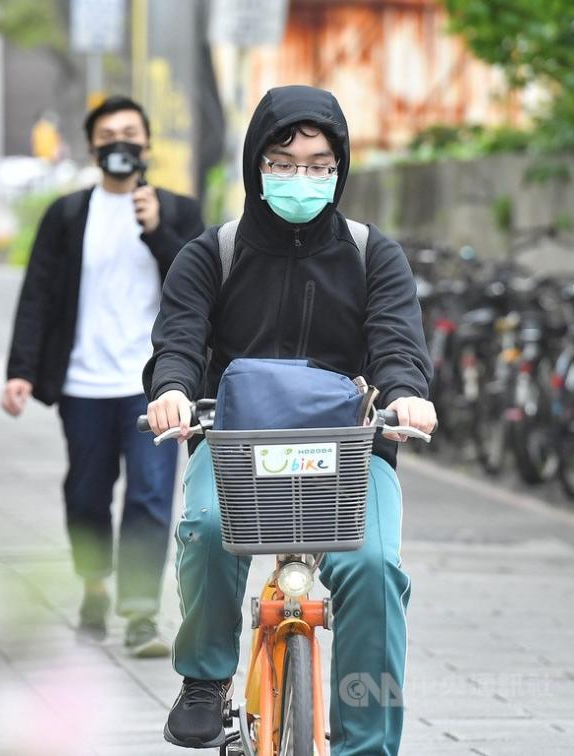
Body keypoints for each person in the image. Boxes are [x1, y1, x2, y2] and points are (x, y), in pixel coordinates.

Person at [143, 85, 436, 753]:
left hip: (349, 450)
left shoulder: (371, 254)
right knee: (207, 525)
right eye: (283, 160)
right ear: (256, 165)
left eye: (318, 163)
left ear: (340, 168)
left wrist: (407, 392)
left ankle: (366, 740)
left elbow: (397, 340)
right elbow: (179, 339)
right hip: (239, 443)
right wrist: (172, 392)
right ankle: (206, 675)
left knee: (375, 572)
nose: (300, 176)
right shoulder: (211, 253)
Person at [2, 96, 205, 657]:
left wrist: (159, 230)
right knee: (87, 493)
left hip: (154, 385)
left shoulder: (179, 211)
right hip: (83, 383)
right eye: (108, 134)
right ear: (92, 147)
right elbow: (37, 296)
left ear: (146, 145)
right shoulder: (66, 215)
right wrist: (21, 371)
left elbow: (199, 288)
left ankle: (140, 613)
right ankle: (94, 584)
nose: (121, 144)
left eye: (131, 134)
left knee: (149, 496)